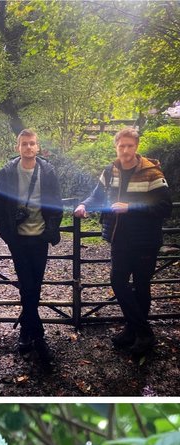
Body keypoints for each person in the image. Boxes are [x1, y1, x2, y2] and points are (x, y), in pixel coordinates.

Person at [74, 127, 173, 355]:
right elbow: (97, 195)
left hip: (145, 239)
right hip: (119, 238)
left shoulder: (152, 173)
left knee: (141, 286)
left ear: (136, 147)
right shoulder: (110, 171)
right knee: (118, 282)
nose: (125, 150)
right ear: (116, 147)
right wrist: (84, 205)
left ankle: (138, 333)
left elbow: (164, 207)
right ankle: (139, 331)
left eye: (130, 146)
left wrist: (130, 208)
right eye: (121, 146)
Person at [0, 129, 63, 369]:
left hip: (40, 237)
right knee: (28, 284)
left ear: (38, 147)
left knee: (34, 286)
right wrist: (7, 235)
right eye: (25, 144)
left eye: (32, 144)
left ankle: (26, 330)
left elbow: (56, 204)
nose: (29, 147)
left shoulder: (48, 171)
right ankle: (38, 336)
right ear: (18, 147)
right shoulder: (7, 172)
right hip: (19, 239)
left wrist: (51, 230)